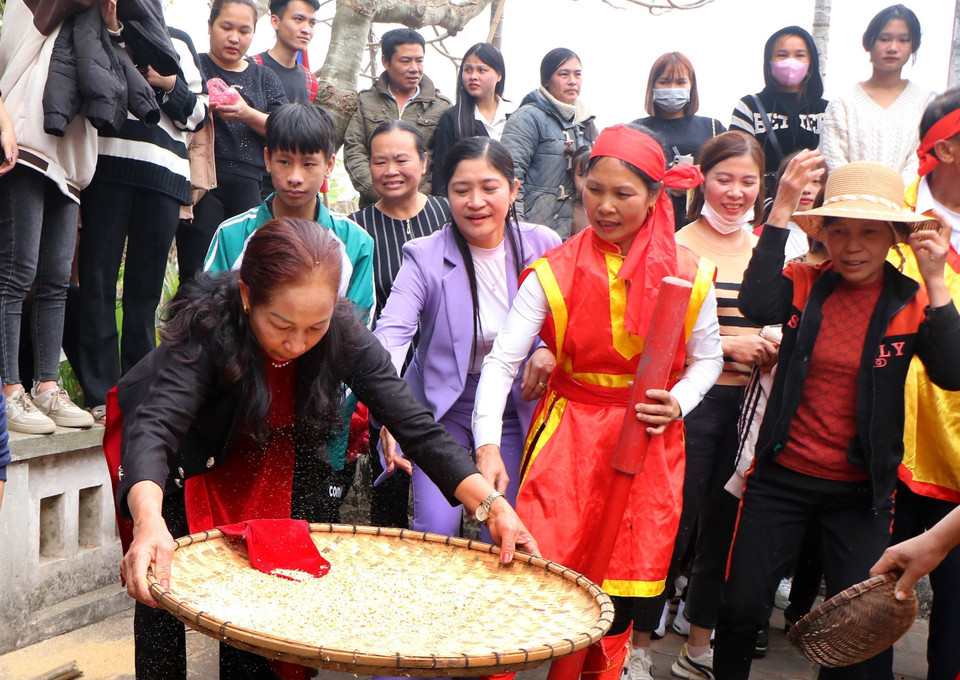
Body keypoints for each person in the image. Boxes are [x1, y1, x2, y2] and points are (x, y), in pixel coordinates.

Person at [116, 218, 538, 680]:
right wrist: (149, 520)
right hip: (178, 456)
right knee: (159, 581)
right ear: (246, 296)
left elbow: (415, 426)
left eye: (314, 328)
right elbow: (156, 428)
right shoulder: (209, 325)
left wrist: (492, 506)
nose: (297, 344)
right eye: (281, 325)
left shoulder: (343, 332)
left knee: (258, 583)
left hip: (262, 451)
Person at [473, 124, 723, 680]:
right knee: (531, 578)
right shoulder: (554, 271)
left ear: (657, 196)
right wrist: (488, 445)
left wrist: (678, 401)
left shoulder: (690, 274)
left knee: (617, 594)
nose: (604, 206)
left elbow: (709, 360)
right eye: (594, 188)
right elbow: (502, 362)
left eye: (623, 194)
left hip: (649, 443)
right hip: (569, 438)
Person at [713, 158, 960, 680]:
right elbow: (757, 302)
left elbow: (952, 371)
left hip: (861, 494)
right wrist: (781, 207)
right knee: (739, 609)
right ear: (822, 232)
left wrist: (937, 280)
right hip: (781, 478)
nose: (852, 246)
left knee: (858, 631)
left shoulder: (909, 300)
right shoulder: (804, 281)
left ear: (894, 236)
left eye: (869, 233)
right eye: (840, 230)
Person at [373, 136, 560, 547]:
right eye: (461, 190)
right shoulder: (424, 255)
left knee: (499, 536)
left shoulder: (543, 245)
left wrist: (546, 348)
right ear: (446, 194)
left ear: (513, 190)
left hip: (515, 405)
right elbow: (392, 333)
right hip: (442, 411)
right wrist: (387, 407)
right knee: (436, 531)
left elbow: (568, 321)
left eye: (489, 188)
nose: (476, 201)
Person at [205, 102, 374, 522]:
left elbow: (358, 334)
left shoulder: (355, 242)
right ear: (266, 159)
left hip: (320, 416)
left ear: (329, 165)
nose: (295, 176)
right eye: (283, 161)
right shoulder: (233, 234)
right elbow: (207, 323)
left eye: (308, 163)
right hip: (244, 412)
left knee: (310, 537)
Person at [666, 131, 773, 677]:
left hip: (751, 409)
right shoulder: (679, 245)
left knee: (726, 530)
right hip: (692, 407)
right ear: (702, 179)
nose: (735, 192)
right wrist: (728, 345)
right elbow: (659, 336)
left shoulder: (767, 250)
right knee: (674, 523)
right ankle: (635, 642)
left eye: (747, 182)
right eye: (724, 179)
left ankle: (699, 644)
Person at [75, 22, 208, 417]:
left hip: (164, 176)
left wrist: (167, 83)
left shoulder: (178, 40)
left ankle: (135, 394)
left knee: (144, 293)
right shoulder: (97, 28)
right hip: (106, 170)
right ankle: (100, 394)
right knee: (96, 280)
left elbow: (198, 116)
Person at [875, 88, 960, 680]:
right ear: (948, 147)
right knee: (872, 602)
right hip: (884, 447)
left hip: (958, 451)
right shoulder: (887, 217)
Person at [0, 0, 103, 434]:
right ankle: (8, 390)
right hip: (24, 140)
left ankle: (45, 386)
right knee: (16, 271)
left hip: (72, 153)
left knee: (58, 279)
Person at [348, 121, 449, 529]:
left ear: (424, 163)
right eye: (379, 161)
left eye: (401, 159)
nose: (390, 169)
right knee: (390, 482)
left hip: (446, 370)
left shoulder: (449, 213)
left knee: (445, 477)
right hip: (383, 370)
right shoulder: (356, 228)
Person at [175, 0, 287, 286]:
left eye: (244, 30)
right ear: (210, 26)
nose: (235, 37)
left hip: (251, 185)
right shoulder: (193, 63)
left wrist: (247, 114)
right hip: (201, 183)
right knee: (196, 273)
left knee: (245, 274)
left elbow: (285, 129)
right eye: (226, 27)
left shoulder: (264, 77)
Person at [819, 5, 933, 183]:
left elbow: (921, 159)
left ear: (913, 45)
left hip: (905, 208)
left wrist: (894, 198)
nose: (893, 48)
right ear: (869, 42)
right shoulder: (842, 103)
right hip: (848, 207)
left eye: (903, 40)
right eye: (884, 39)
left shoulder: (927, 102)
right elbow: (834, 163)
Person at [343, 29, 451, 206]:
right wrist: (378, 192)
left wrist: (418, 197)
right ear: (386, 61)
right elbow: (354, 149)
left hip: (425, 206)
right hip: (374, 205)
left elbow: (444, 161)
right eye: (406, 61)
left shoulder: (441, 107)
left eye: (419, 60)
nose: (414, 68)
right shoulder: (365, 102)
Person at [500, 48, 598, 240]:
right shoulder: (527, 118)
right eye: (564, 74)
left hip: (576, 235)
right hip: (534, 233)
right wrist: (516, 231)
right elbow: (509, 176)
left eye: (577, 74)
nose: (572, 81)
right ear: (546, 80)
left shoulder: (586, 122)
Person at [631, 52, 725, 230]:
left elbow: (728, 173)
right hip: (649, 224)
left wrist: (697, 180)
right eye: (664, 82)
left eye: (680, 82)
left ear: (691, 86)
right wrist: (666, 185)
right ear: (653, 86)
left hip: (704, 224)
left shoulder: (713, 127)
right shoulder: (636, 131)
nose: (672, 88)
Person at [730, 26, 827, 193]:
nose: (791, 61)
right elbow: (736, 161)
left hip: (811, 203)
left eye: (800, 55)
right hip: (761, 203)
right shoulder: (748, 107)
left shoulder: (827, 110)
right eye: (782, 55)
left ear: (811, 63)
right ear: (769, 62)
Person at [251, 0, 320, 201]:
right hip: (256, 184)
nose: (306, 29)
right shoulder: (253, 67)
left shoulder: (310, 80)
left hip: (296, 188)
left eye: (312, 23)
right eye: (298, 19)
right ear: (275, 21)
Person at [431, 43, 509, 195]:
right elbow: (441, 176)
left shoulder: (515, 115)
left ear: (499, 75)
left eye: (482, 70)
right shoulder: (452, 119)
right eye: (468, 70)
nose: (473, 76)